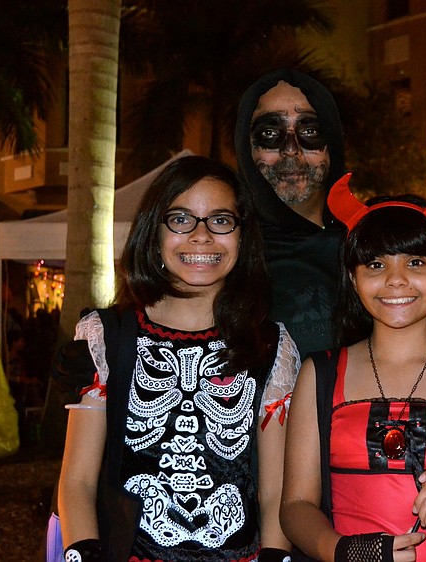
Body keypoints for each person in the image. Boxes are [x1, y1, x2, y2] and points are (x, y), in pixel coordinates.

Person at [56, 156, 299, 562]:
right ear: (154, 229)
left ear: (243, 234)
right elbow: (77, 481)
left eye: (221, 220)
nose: (201, 236)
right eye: (181, 219)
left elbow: (275, 491)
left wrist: (275, 556)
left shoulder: (271, 346)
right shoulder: (106, 335)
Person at [280, 174, 426, 562]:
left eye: (415, 262)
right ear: (353, 279)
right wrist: (344, 550)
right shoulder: (320, 374)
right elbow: (295, 506)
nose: (396, 280)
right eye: (375, 264)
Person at [234, 69, 346, 358]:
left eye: (309, 132)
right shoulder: (224, 252)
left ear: (331, 146)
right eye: (270, 134)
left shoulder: (370, 248)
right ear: (246, 149)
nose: (291, 151)